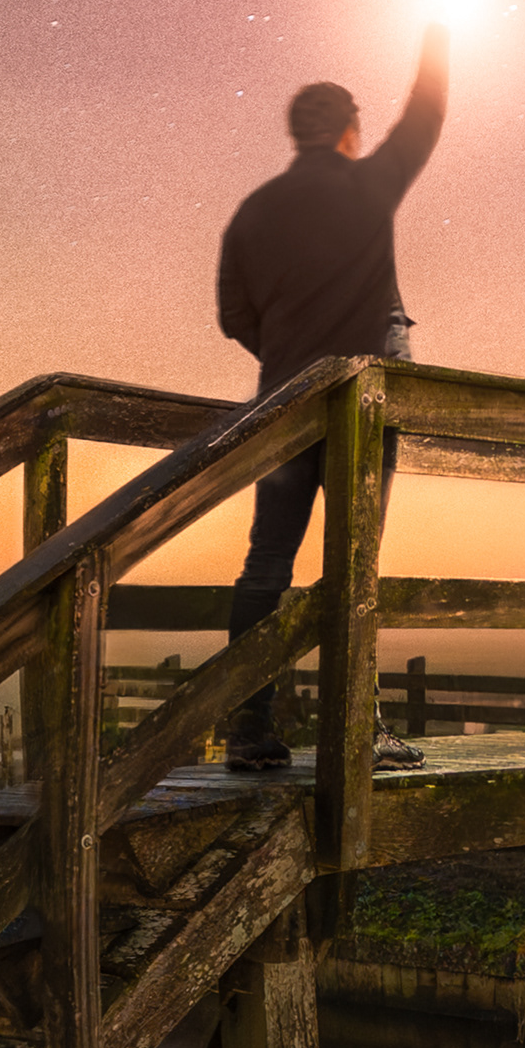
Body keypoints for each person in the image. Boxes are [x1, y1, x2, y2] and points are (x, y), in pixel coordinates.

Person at [214, 42, 448, 769]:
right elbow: (426, 116)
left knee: (265, 568)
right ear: (350, 131)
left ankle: (249, 733)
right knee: (353, 569)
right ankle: (357, 733)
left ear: (295, 132)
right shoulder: (369, 187)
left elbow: (233, 314)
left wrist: (285, 355)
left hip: (284, 410)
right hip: (355, 416)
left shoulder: (253, 212)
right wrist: (438, 37)